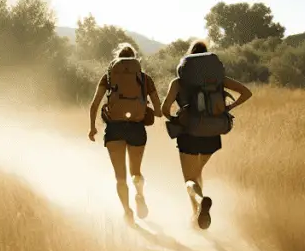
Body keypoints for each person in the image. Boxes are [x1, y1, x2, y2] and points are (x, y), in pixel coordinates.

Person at [161, 40, 252, 229]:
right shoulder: (218, 80)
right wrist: (228, 107)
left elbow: (165, 109)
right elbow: (246, 92)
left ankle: (200, 203)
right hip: (212, 134)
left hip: (189, 134)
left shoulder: (179, 82)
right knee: (197, 173)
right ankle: (196, 218)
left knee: (189, 180)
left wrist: (176, 117)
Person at [88, 43, 163, 224]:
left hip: (114, 129)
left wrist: (92, 127)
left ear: (116, 61)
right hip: (136, 128)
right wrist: (146, 110)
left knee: (120, 177)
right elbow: (159, 111)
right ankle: (139, 194)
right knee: (135, 171)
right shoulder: (145, 79)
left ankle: (127, 211)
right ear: (136, 60)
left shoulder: (108, 77)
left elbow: (95, 103)